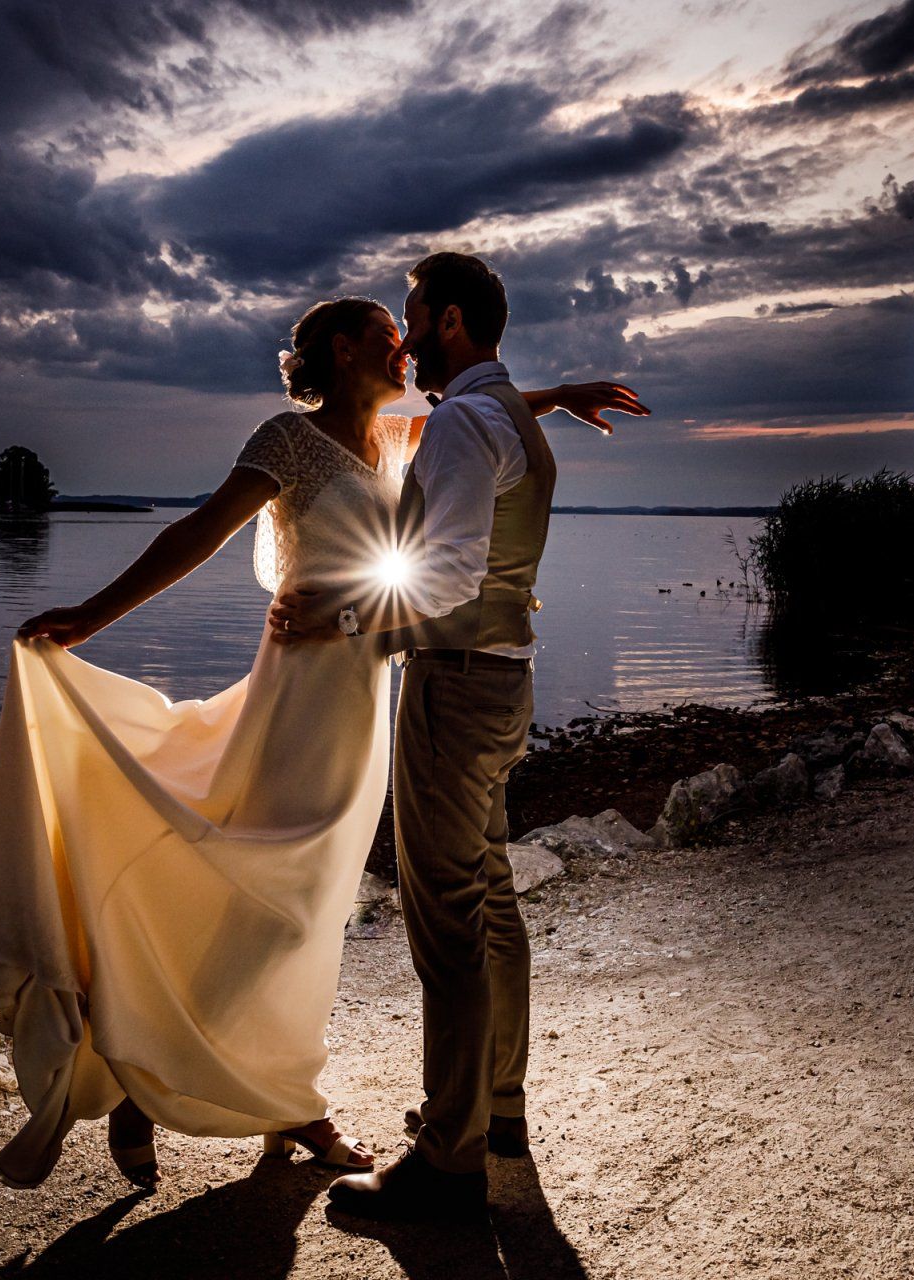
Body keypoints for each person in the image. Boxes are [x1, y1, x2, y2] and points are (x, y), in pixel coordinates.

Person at [0, 292, 646, 1192]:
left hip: (364, 700)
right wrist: (94, 613)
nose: (402, 351)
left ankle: (282, 1097)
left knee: (312, 914)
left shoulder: (401, 442)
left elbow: (479, 422)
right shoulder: (288, 439)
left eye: (407, 337)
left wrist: (554, 397)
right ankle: (153, 1077)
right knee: (267, 901)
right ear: (338, 348)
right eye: (385, 337)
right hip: (298, 697)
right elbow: (199, 531)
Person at [271, 252, 594, 1221]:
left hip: (454, 688)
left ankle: (448, 1159)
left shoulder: (460, 422)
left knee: (446, 922)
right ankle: (499, 1107)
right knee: (491, 895)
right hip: (509, 680)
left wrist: (345, 612)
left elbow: (444, 578)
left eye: (413, 314)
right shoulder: (516, 423)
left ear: (450, 321)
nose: (405, 335)